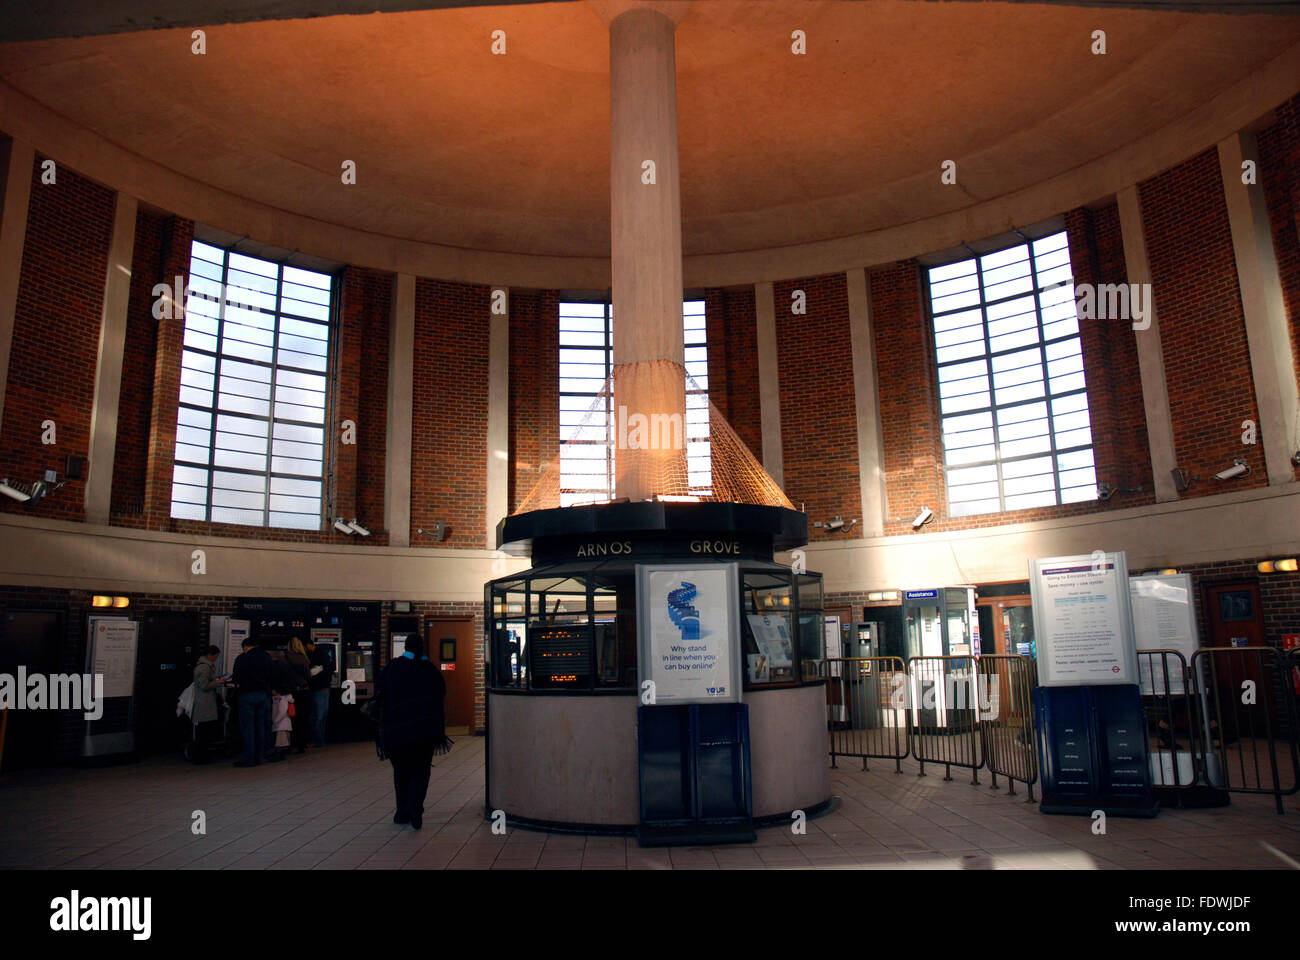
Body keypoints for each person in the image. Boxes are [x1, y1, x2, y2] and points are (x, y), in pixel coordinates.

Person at [375, 634, 450, 830]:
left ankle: (402, 811)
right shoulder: (430, 670)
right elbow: (441, 694)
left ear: (405, 647)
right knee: (421, 770)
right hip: (424, 731)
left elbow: (379, 693)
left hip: (395, 731)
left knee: (400, 771)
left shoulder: (392, 668)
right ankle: (416, 807)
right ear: (422, 648)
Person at [231, 638, 279, 766]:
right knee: (261, 727)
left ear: (245, 647)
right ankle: (260, 756)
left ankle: (249, 758)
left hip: (247, 695)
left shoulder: (242, 658)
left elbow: (236, 678)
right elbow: (273, 675)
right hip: (263, 695)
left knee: (248, 728)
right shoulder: (266, 657)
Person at [191, 645, 223, 764]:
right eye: (216, 656)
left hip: (206, 703)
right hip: (205, 703)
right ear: (210, 655)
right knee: (204, 731)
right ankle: (201, 756)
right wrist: (218, 682)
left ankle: (202, 756)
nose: (216, 658)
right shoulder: (204, 667)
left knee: (204, 731)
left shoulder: (206, 666)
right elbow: (204, 685)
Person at [284, 637, 313, 752]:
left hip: (290, 691)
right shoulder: (303, 659)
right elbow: (308, 676)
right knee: (303, 718)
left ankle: (292, 743)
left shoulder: (285, 658)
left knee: (291, 718)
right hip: (303, 691)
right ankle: (302, 743)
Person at [305, 638, 334, 747]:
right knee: (317, 716)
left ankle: (319, 741)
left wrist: (312, 675)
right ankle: (318, 741)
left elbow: (326, 670)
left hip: (320, 688)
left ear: (309, 645)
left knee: (318, 717)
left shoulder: (320, 654)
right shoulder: (322, 654)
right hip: (320, 688)